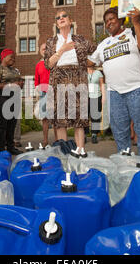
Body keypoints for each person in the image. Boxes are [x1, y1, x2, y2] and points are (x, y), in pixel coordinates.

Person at [88, 6, 140, 161]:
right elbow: (89, 61)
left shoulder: (131, 33)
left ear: (120, 19)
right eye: (106, 21)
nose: (108, 23)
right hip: (114, 92)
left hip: (136, 89)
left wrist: (136, 23)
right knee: (119, 131)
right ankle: (124, 160)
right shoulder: (103, 44)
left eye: (111, 19)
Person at [44, 9, 97, 158]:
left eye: (64, 16)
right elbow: (48, 64)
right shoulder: (51, 41)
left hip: (78, 77)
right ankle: (64, 151)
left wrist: (90, 64)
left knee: (79, 118)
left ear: (70, 20)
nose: (61, 18)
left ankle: (80, 150)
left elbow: (95, 52)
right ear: (56, 24)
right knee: (60, 120)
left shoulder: (80, 39)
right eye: (58, 18)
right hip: (59, 78)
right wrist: (62, 50)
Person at [0, 49, 23, 155]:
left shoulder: (15, 70)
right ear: (4, 57)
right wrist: (10, 85)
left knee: (12, 124)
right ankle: (0, 148)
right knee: (2, 124)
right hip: (2, 98)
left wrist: (20, 84)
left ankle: (10, 147)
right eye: (11, 57)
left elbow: (19, 82)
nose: (13, 59)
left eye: (14, 57)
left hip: (14, 98)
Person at [35, 43, 57, 147]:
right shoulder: (38, 65)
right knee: (45, 118)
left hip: (55, 91)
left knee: (56, 117)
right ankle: (45, 140)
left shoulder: (54, 62)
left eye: (46, 49)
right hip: (43, 92)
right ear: (40, 51)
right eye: (43, 49)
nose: (44, 50)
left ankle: (58, 140)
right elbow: (36, 81)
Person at [87, 65, 105, 144]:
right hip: (86, 96)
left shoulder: (98, 73)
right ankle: (84, 134)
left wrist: (103, 96)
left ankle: (94, 134)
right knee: (84, 116)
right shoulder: (83, 72)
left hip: (96, 96)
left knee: (95, 116)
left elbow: (102, 85)